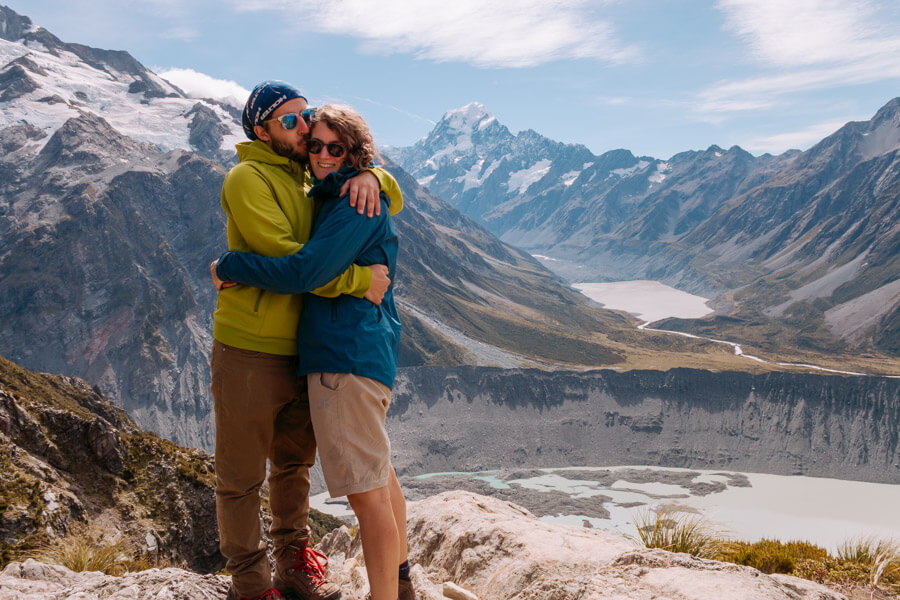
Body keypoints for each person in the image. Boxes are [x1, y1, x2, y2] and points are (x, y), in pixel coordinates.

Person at [213, 104, 414, 600]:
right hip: (341, 351)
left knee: (366, 494)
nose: (319, 150)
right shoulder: (320, 186)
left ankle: (389, 591)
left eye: (335, 147)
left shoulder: (349, 200)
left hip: (342, 356)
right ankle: (400, 581)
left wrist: (232, 264)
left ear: (354, 152)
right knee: (378, 479)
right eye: (315, 142)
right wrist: (373, 175)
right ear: (261, 131)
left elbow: (304, 271)